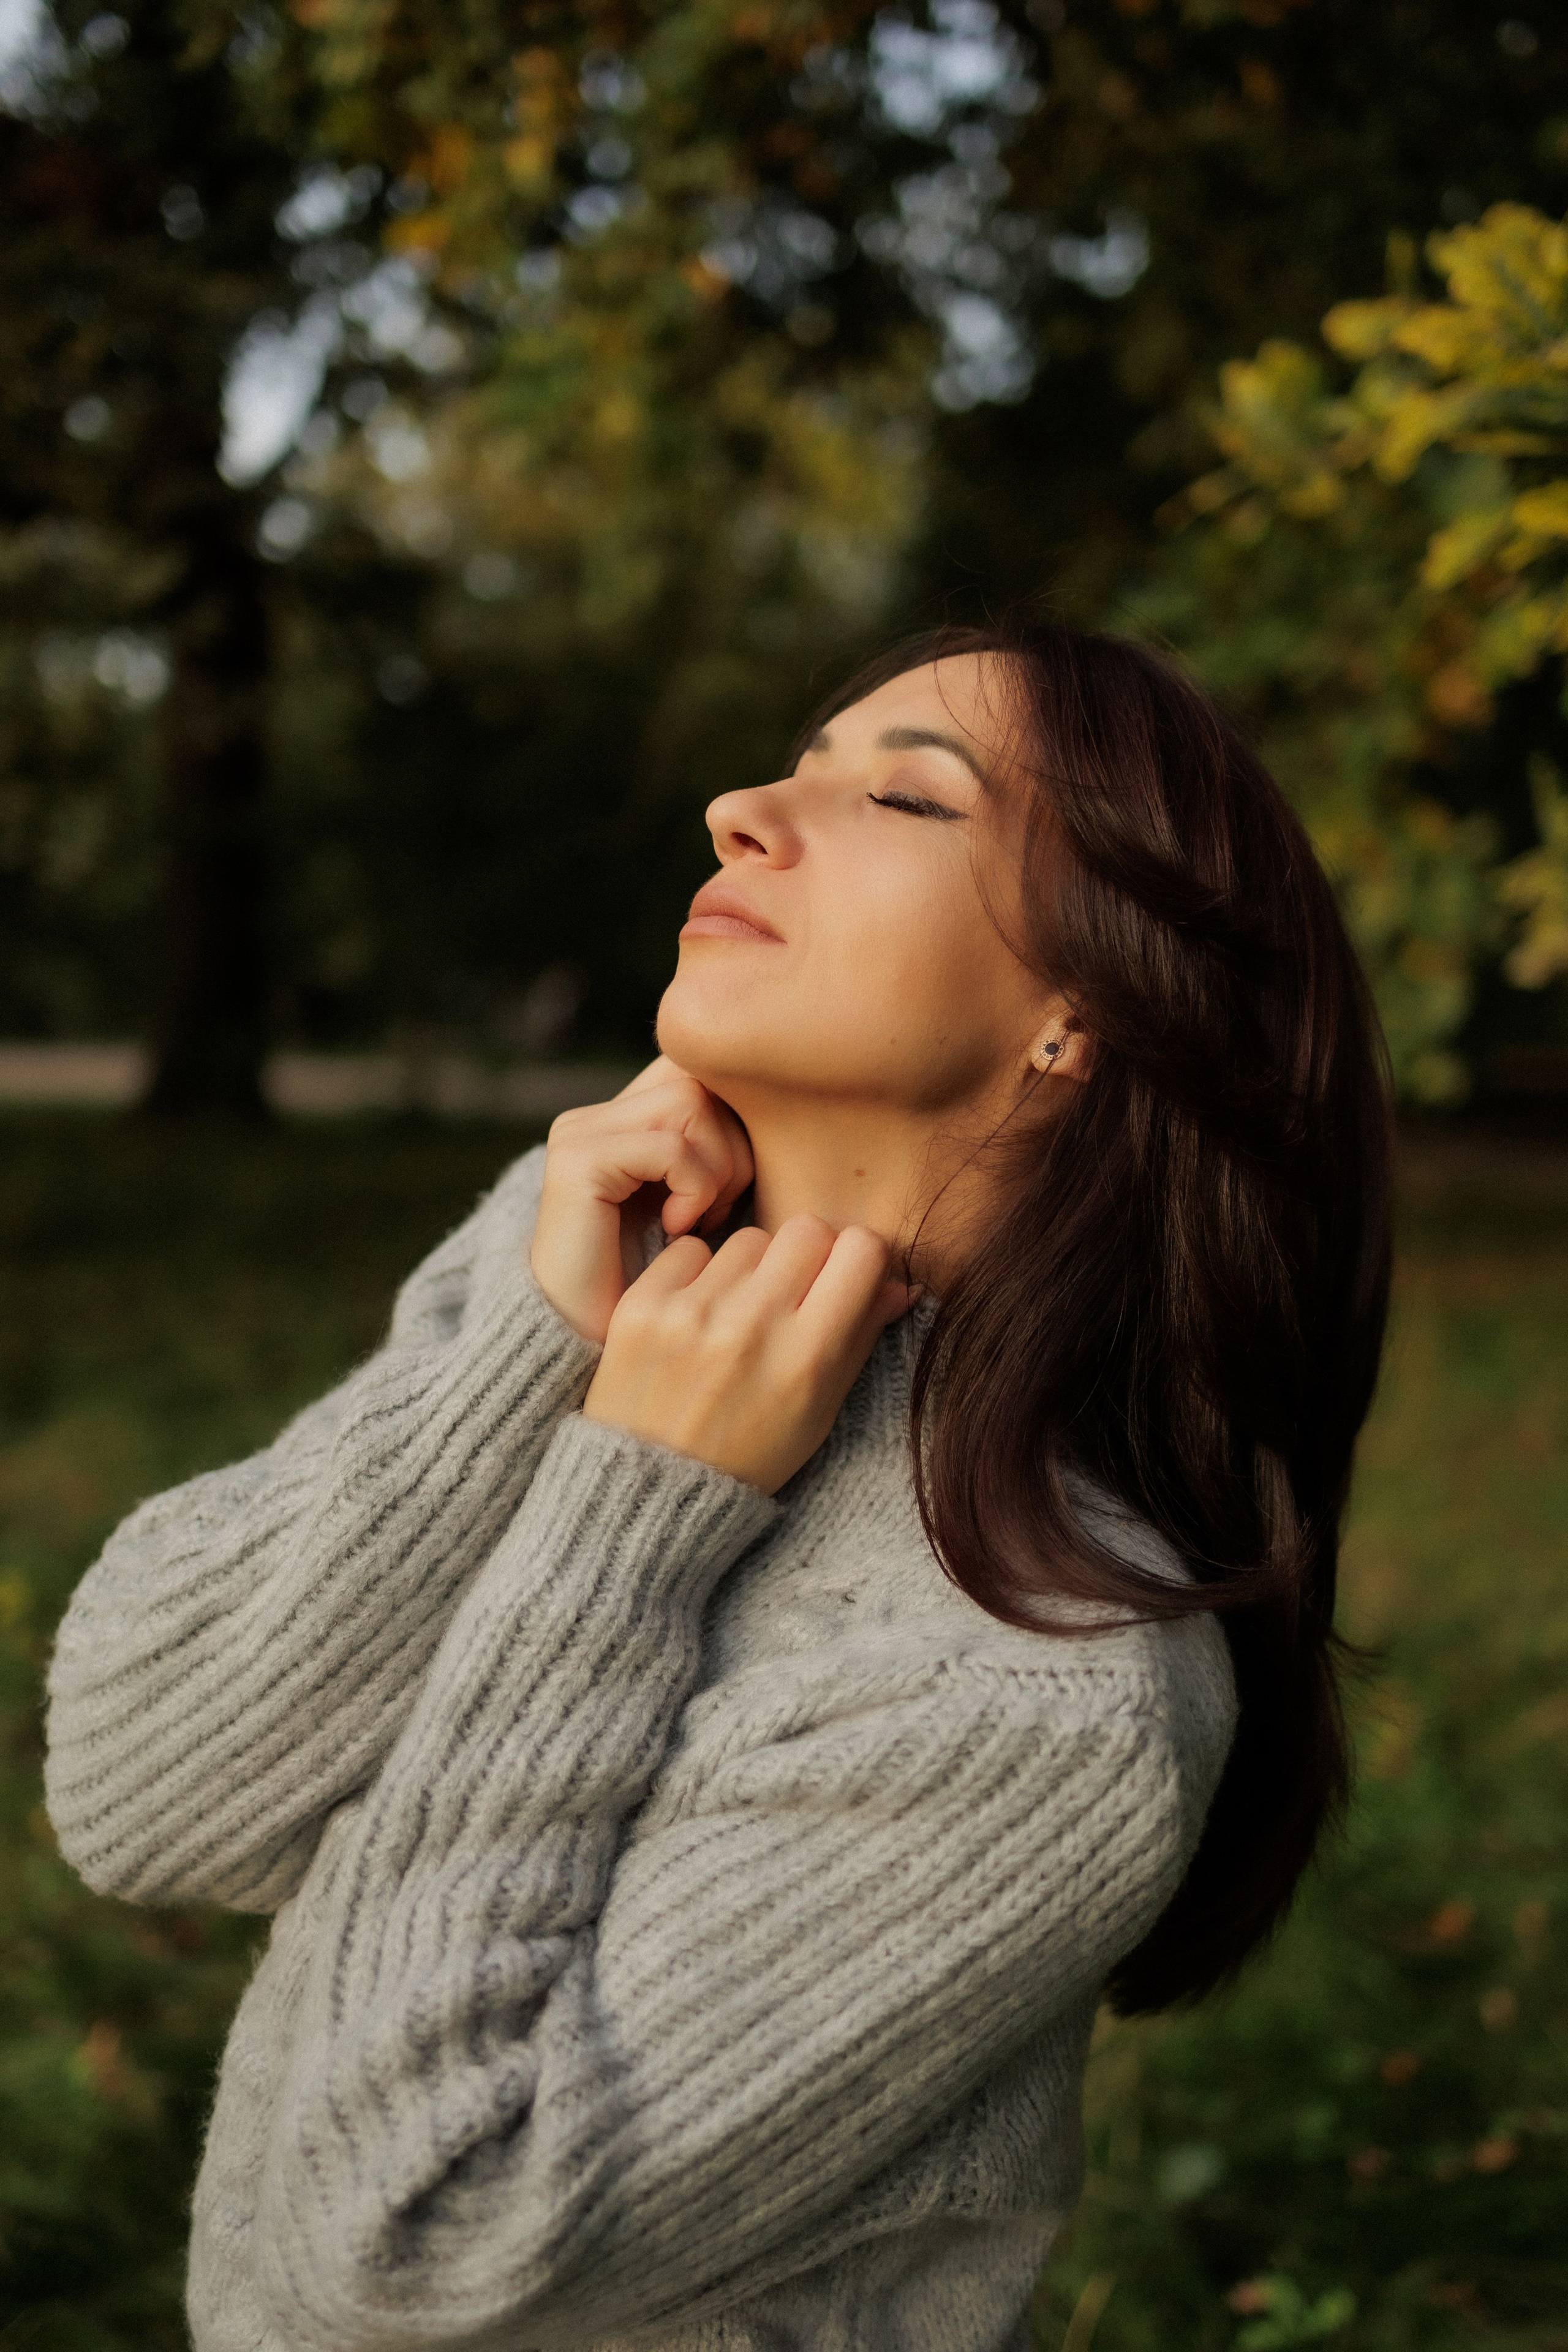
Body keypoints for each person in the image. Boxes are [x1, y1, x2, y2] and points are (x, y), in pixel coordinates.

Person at [43, 620, 1393, 2352]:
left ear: (1084, 1010)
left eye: (904, 797)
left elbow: (388, 2262)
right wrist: (531, 1361)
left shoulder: (1043, 1684)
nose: (740, 808)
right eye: (791, 763)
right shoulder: (581, 1268)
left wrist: (633, 1514)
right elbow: (143, 1792)